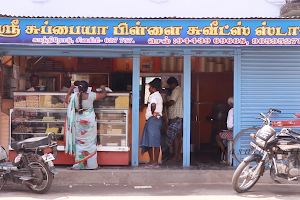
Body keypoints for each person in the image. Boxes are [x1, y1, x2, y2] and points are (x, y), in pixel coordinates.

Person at [64, 80, 107, 170]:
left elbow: (66, 99)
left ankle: (79, 165)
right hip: (90, 121)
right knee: (91, 142)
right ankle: (92, 165)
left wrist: (70, 89)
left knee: (79, 142)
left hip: (78, 121)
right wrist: (103, 88)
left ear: (78, 88)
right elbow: (104, 95)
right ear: (87, 89)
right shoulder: (91, 95)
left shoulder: (73, 96)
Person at [139, 78, 163, 169]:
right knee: (153, 141)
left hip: (153, 120)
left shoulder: (153, 95)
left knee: (151, 142)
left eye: (149, 87)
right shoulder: (158, 95)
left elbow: (153, 105)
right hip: (156, 120)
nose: (149, 89)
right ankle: (153, 161)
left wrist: (153, 113)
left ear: (153, 87)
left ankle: (154, 162)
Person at [165, 77, 183, 162]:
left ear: (173, 84)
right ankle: (178, 155)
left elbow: (172, 102)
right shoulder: (181, 90)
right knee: (178, 137)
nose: (170, 87)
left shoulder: (176, 90)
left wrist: (164, 104)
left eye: (170, 85)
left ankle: (175, 156)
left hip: (176, 116)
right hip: (179, 116)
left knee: (175, 136)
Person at [216, 97, 234, 164]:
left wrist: (229, 129)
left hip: (233, 133)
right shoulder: (241, 109)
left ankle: (226, 156)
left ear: (231, 104)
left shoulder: (231, 111)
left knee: (217, 137)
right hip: (241, 133)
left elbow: (229, 126)